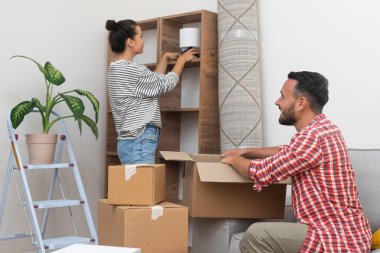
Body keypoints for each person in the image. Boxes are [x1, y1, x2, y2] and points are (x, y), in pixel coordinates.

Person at [222, 71, 371, 252]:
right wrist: (246, 151)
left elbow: (260, 171)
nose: (277, 102)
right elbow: (287, 151)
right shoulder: (324, 129)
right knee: (256, 235)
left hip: (333, 237)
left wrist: (233, 160)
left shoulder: (312, 137)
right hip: (345, 233)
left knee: (256, 234)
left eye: (282, 96)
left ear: (301, 103)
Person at [105, 19, 197, 164]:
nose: (144, 41)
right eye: (140, 36)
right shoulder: (131, 70)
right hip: (139, 140)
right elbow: (166, 83)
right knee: (143, 185)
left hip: (130, 141)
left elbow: (152, 84)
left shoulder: (116, 68)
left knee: (136, 185)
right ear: (130, 42)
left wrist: (165, 58)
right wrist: (182, 60)